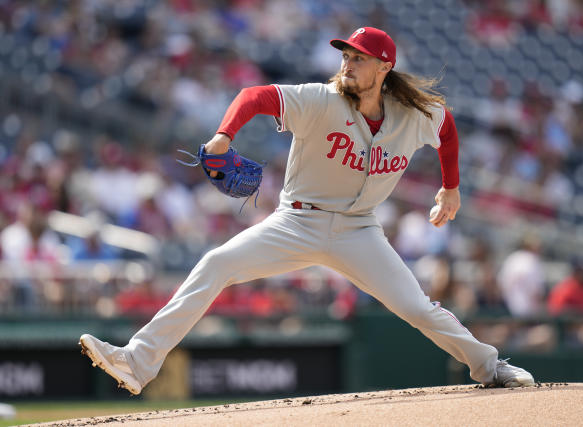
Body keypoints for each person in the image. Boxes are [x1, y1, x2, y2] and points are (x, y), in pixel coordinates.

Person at [79, 27, 534, 394]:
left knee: (418, 308)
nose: (347, 64)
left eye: (357, 58)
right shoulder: (322, 99)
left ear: (384, 67)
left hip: (360, 231)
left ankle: (490, 367)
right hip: (297, 220)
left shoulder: (413, 114)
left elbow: (448, 128)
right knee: (216, 264)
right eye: (345, 56)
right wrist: (223, 137)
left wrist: (450, 188)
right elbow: (254, 96)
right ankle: (139, 361)